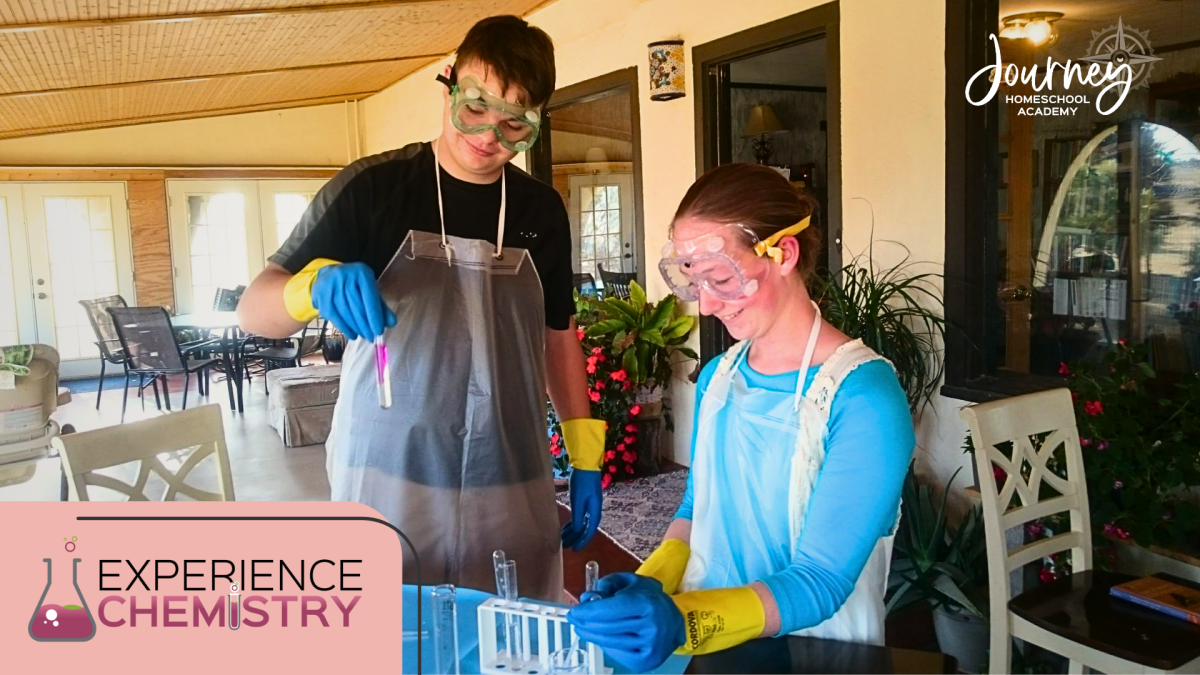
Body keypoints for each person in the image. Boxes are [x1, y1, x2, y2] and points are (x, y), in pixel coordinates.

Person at [237, 15, 608, 601]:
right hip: (388, 473)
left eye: (514, 123)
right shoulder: (374, 188)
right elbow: (252, 311)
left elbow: (557, 337)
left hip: (509, 472)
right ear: (449, 84)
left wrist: (587, 455)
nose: (488, 135)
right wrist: (310, 287)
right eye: (476, 107)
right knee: (392, 626)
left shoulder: (541, 211)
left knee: (507, 626)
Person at [567, 164, 915, 670]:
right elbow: (696, 507)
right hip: (712, 652)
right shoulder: (719, 378)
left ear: (784, 254)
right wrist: (652, 581)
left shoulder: (864, 398)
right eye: (695, 282)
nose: (707, 305)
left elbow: (820, 580)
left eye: (722, 279)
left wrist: (682, 621)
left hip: (815, 654)